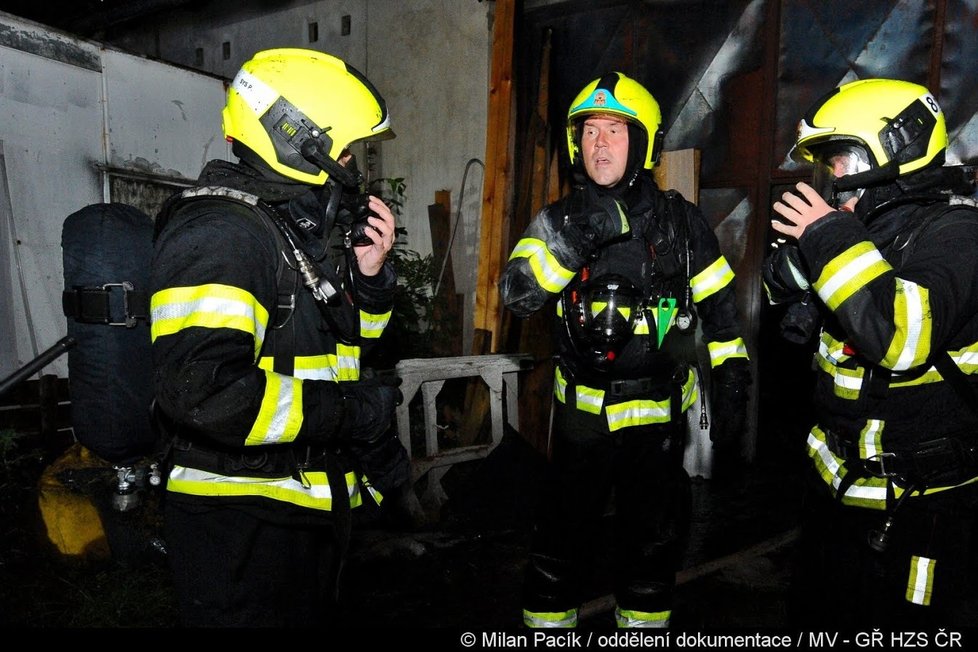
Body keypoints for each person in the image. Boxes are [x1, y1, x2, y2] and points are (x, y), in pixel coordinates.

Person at [150, 48, 410, 627]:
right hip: (239, 524)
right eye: (343, 148)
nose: (350, 163)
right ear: (299, 139)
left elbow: (344, 348)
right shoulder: (221, 233)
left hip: (293, 512)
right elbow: (204, 392)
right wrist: (349, 414)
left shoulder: (286, 225)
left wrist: (368, 281)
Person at [500, 72, 750, 629]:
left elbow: (722, 313)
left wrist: (734, 380)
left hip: (658, 432)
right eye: (589, 131)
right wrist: (575, 237)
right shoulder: (557, 220)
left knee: (651, 555)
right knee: (556, 554)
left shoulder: (681, 224)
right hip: (578, 424)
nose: (600, 144)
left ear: (643, 143)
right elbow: (517, 296)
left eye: (615, 129)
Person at [764, 78, 978, 627]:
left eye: (842, 160)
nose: (833, 180)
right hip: (834, 496)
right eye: (829, 165)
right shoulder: (862, 238)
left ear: (897, 150)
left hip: (922, 506)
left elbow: (901, 338)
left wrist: (828, 238)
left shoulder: (958, 236)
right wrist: (793, 272)